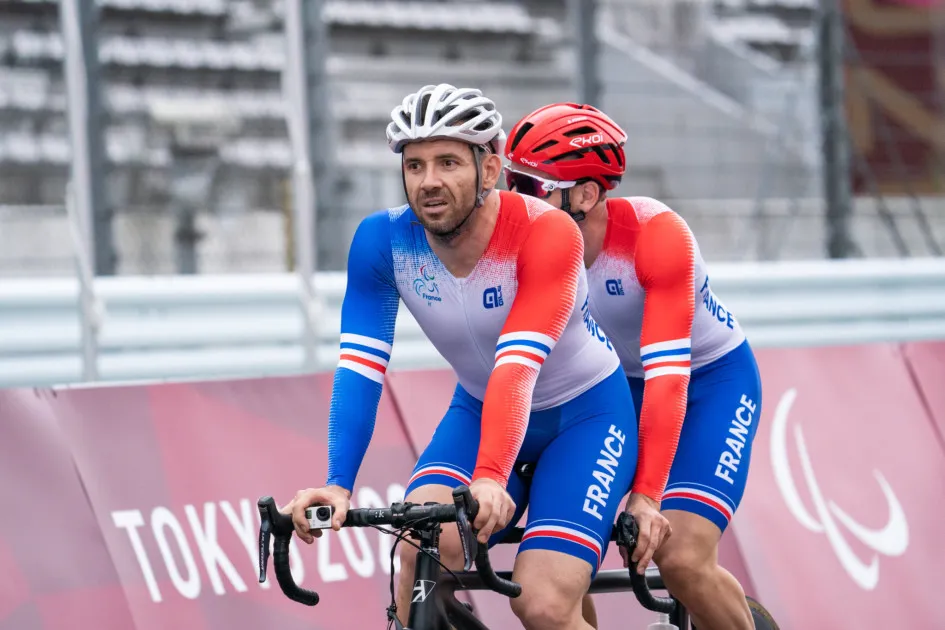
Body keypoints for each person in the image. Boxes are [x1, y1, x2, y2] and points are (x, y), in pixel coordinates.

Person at [278, 84, 638, 630]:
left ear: (489, 169)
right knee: (419, 551)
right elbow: (360, 366)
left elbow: (518, 365)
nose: (429, 182)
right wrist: (337, 484)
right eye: (415, 165)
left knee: (541, 602)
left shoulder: (547, 233)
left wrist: (492, 475)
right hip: (477, 412)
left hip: (583, 418)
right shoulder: (382, 241)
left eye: (448, 162)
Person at [504, 102, 763, 630]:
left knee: (682, 559)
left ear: (587, 194)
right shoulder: (522, 243)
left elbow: (669, 381)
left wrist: (646, 497)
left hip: (707, 384)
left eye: (532, 188)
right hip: (613, 389)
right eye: (511, 183)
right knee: (556, 567)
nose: (514, 202)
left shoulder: (655, 237)